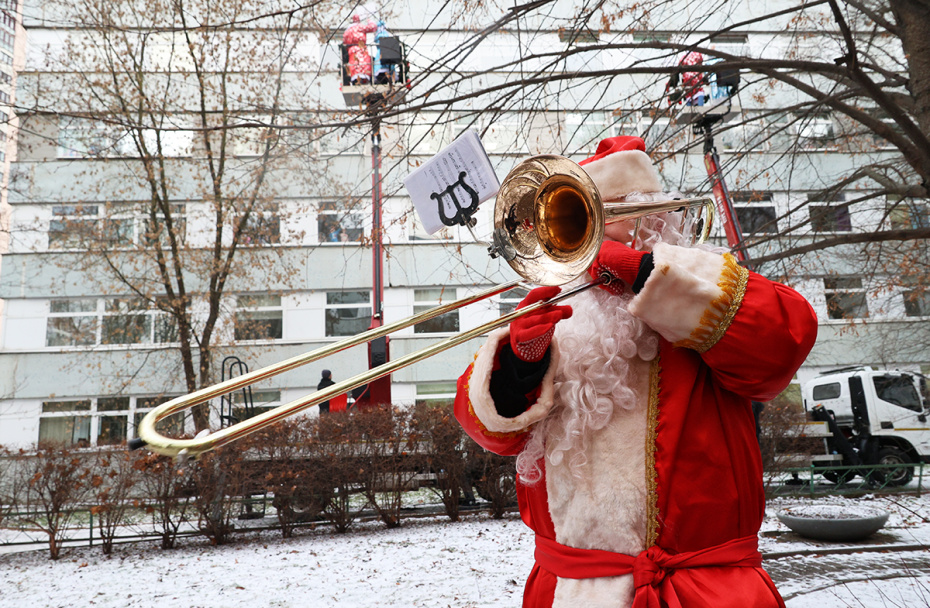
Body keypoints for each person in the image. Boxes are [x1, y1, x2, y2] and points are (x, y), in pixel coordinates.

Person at [454, 135, 818, 608]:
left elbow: (782, 341)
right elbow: (487, 430)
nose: (596, 242)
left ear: (656, 219)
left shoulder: (711, 283)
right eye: (584, 221)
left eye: (613, 217)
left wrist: (648, 274)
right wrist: (522, 365)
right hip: (571, 589)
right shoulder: (560, 310)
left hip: (699, 590)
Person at [343, 14, 378, 85]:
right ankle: (364, 79)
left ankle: (356, 80)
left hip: (353, 51)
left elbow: (345, 41)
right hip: (362, 50)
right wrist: (369, 20)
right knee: (364, 65)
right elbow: (373, 27)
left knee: (355, 65)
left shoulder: (348, 30)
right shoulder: (361, 27)